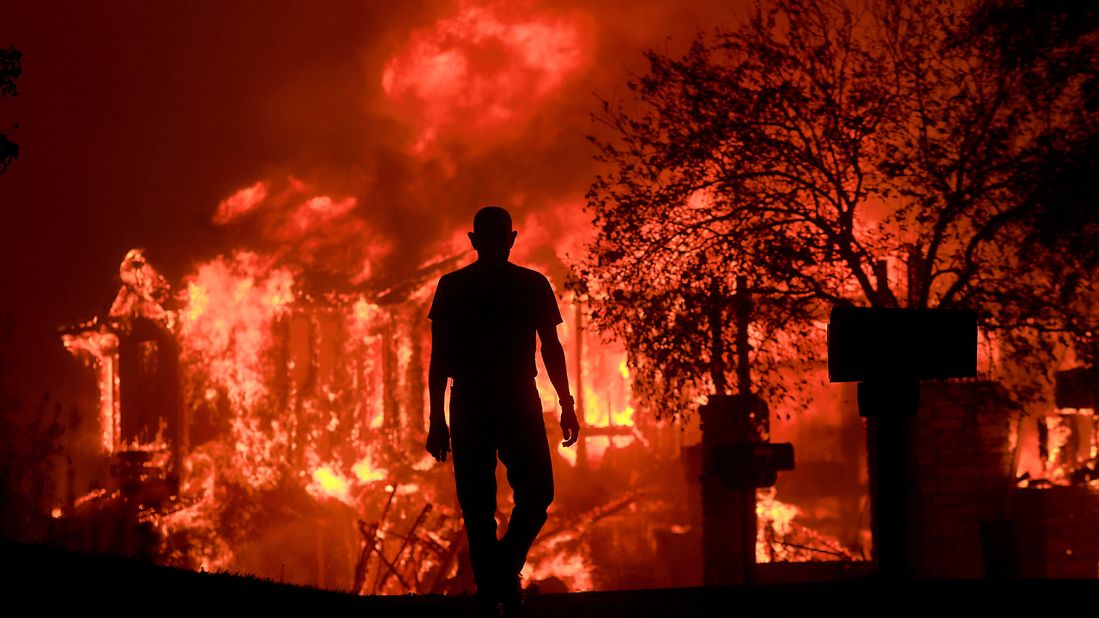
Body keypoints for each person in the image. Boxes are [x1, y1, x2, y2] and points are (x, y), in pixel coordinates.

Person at [426, 205, 579, 615]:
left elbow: (440, 359)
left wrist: (437, 419)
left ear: (475, 240)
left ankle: (495, 577)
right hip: (511, 399)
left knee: (481, 504)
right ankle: (500, 581)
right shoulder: (529, 284)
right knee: (527, 495)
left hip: (477, 401)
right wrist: (565, 404)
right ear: (510, 238)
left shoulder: (454, 286)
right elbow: (551, 348)